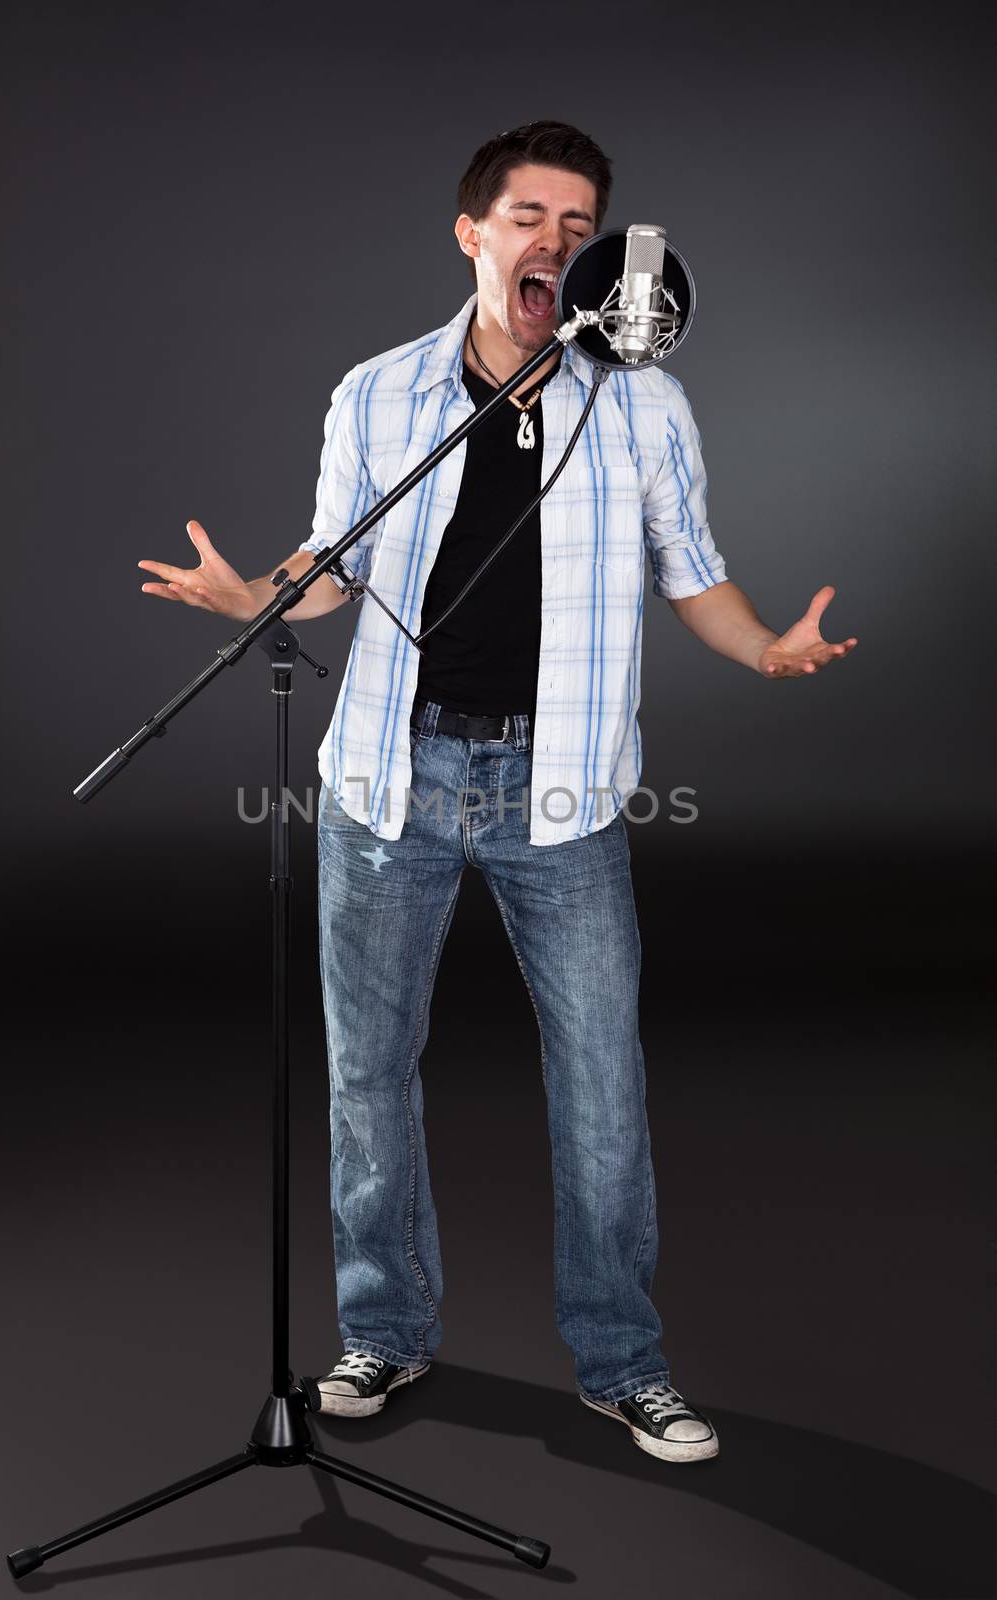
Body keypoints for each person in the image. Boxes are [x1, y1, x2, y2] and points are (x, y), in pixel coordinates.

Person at [138, 121, 857, 1465]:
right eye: (530, 214)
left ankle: (622, 1363)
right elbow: (336, 563)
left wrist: (765, 645)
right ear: (472, 233)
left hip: (564, 785)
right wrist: (256, 597)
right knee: (370, 1076)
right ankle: (386, 1332)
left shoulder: (641, 400)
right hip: (389, 776)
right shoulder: (380, 396)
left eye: (579, 225)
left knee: (599, 1085)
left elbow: (690, 568)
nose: (556, 240)